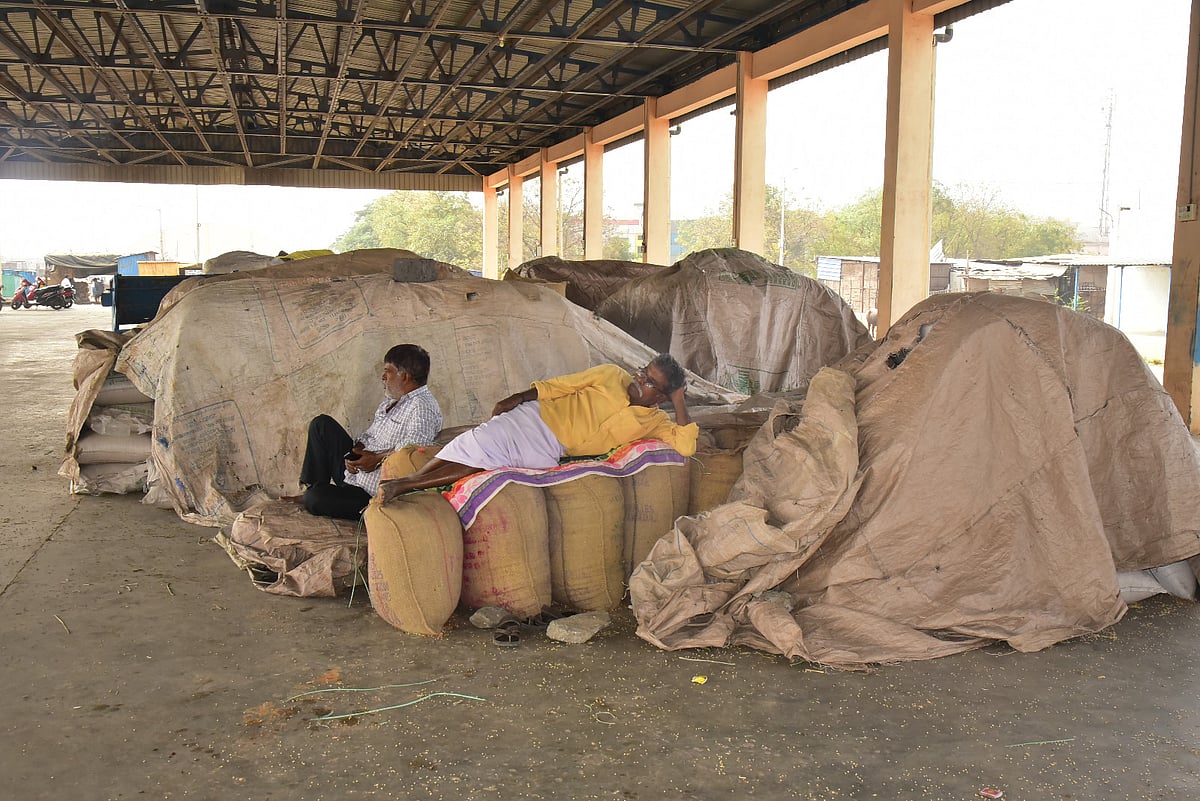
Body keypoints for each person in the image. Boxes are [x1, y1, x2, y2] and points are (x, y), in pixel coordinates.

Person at [379, 354, 696, 503]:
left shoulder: (656, 422)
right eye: (644, 372)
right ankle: (410, 483)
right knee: (474, 441)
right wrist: (518, 397)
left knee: (484, 458)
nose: (640, 380)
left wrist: (680, 401)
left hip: (551, 448)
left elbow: (686, 446)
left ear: (664, 396)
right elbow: (559, 386)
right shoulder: (612, 375)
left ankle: (409, 484)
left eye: (651, 382)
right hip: (536, 417)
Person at [296, 344, 443, 520]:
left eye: (388, 371)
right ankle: (312, 487)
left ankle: (313, 495)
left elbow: (415, 448)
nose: (383, 377)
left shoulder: (422, 406)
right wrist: (357, 450)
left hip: (370, 493)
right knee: (322, 425)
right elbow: (370, 435)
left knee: (316, 498)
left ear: (405, 376)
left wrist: (376, 459)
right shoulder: (391, 402)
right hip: (356, 474)